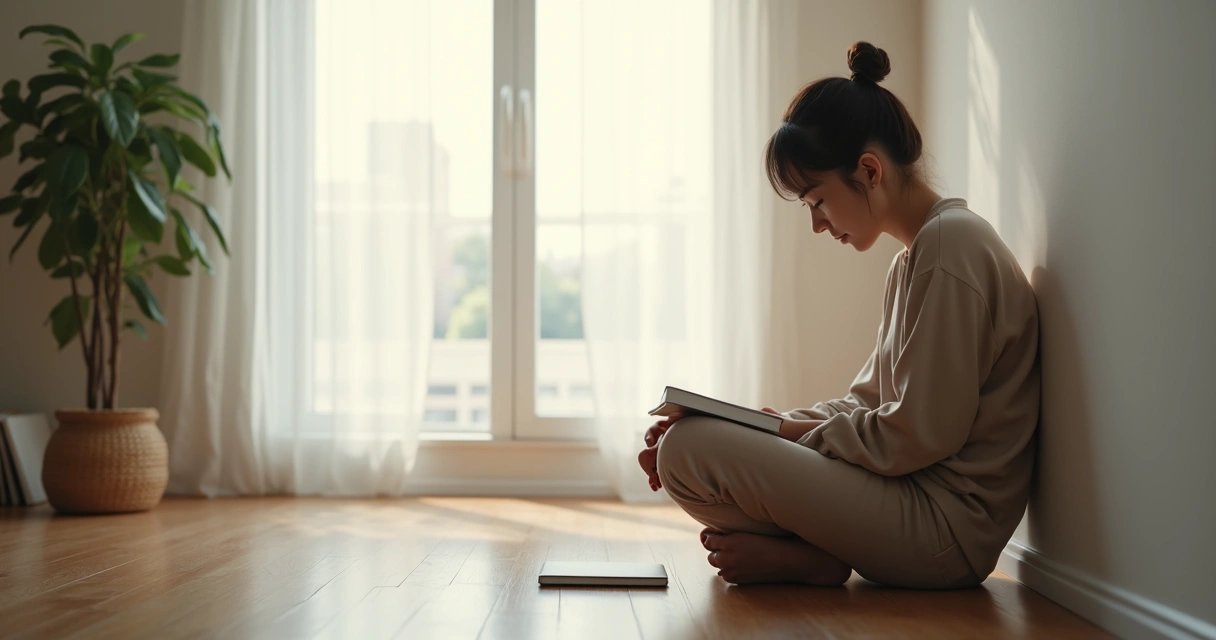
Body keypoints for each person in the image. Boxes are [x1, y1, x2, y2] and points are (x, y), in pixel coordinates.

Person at [636, 41, 1040, 589]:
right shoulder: (920, 256)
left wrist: (789, 433)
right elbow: (868, 403)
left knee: (687, 452)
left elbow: (916, 436)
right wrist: (771, 426)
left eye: (816, 201)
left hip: (942, 531)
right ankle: (817, 556)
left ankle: (817, 556)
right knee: (684, 452)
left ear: (869, 171)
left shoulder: (950, 250)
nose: (818, 225)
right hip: (914, 506)